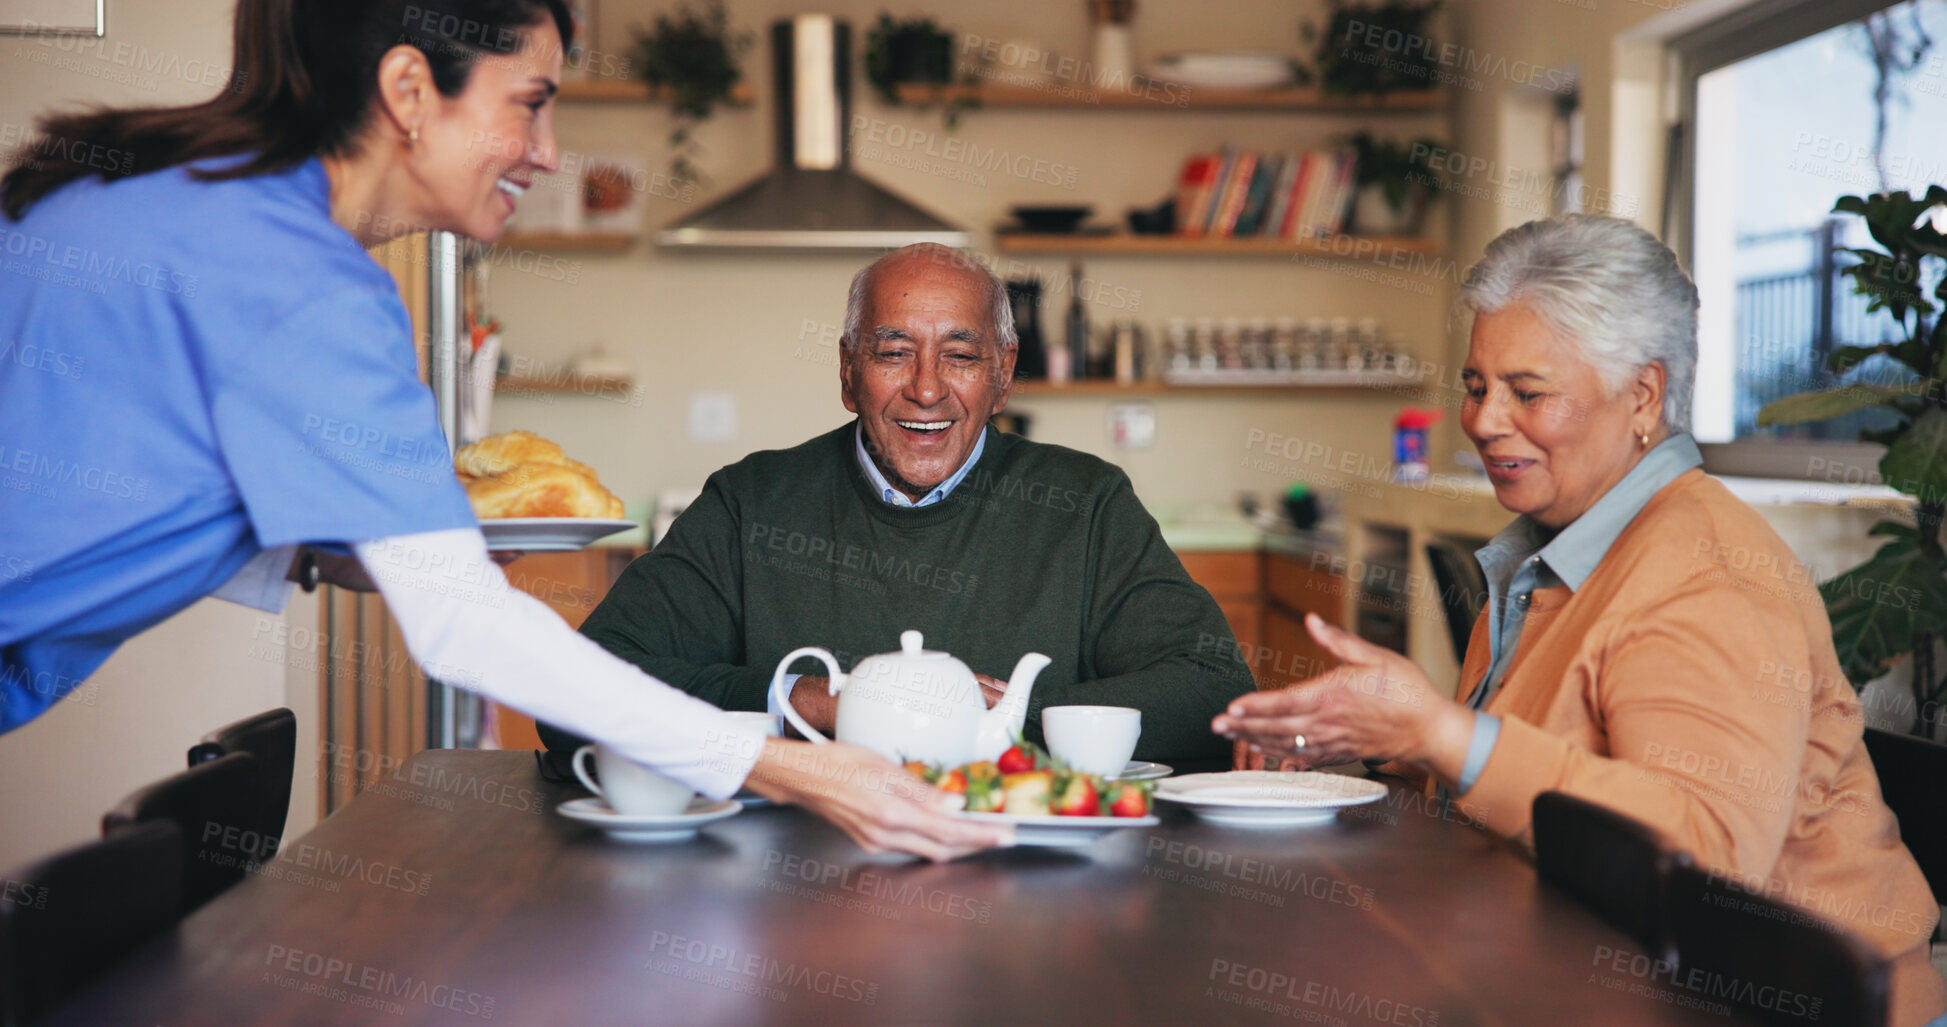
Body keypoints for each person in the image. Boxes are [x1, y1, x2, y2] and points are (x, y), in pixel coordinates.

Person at [0, 0, 1005, 862]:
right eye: (529, 101)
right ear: (407, 90)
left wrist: (342, 551)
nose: (549, 150)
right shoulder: (297, 274)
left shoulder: (190, 201)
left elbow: (110, 470)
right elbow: (464, 627)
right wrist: (791, 767)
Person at [1214, 215, 1947, 1026]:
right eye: (1474, 385)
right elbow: (1530, 784)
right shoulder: (1558, 544)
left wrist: (1440, 732)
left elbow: (1706, 856)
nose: (1485, 420)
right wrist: (1373, 744)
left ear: (1642, 395)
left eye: (1527, 393)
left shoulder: (1703, 571)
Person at [540, 243, 1253, 763]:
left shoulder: (1085, 502)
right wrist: (811, 703)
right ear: (849, 373)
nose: (926, 387)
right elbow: (579, 688)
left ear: (1001, 378)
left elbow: (1210, 689)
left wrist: (994, 719)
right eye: (892, 353)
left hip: (1028, 895)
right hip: (793, 890)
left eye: (961, 356)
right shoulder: (749, 502)